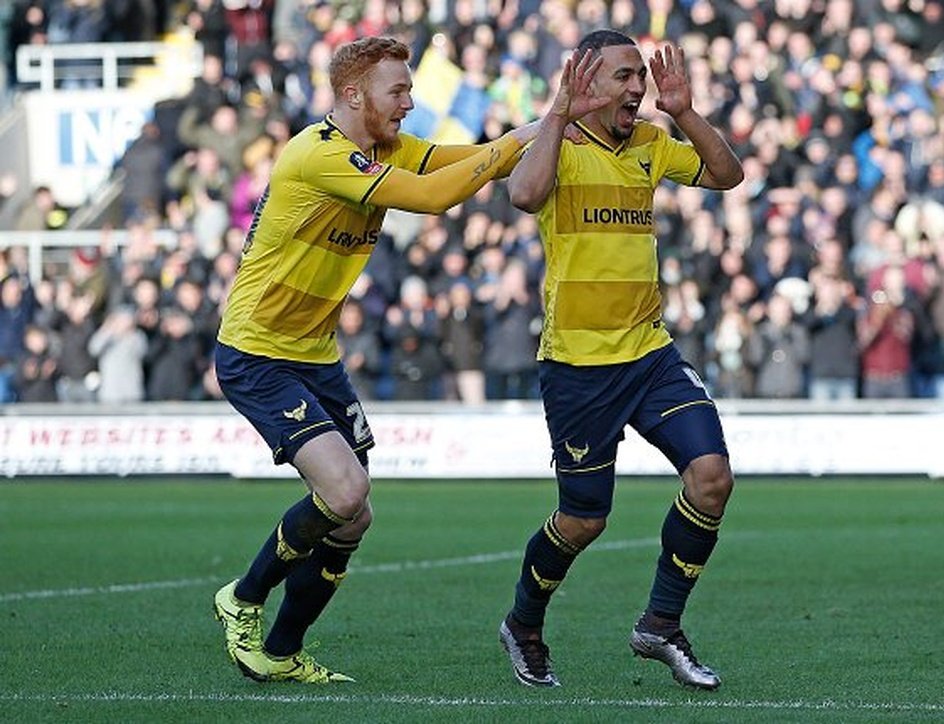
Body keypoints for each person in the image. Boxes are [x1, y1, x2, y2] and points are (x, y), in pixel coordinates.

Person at [211, 36, 605, 684]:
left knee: (352, 515)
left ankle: (279, 651)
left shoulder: (386, 149)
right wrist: (519, 142)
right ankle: (244, 597)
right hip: (258, 352)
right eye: (397, 90)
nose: (409, 102)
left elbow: (475, 159)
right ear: (352, 94)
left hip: (314, 354)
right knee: (344, 491)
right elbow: (431, 196)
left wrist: (557, 118)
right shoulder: (317, 155)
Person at [499, 30, 743, 690]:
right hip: (578, 366)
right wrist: (556, 116)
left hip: (650, 354)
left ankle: (661, 624)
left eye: (641, 75)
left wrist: (686, 111)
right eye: (623, 76)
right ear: (583, 81)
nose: (638, 87)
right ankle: (523, 623)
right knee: (584, 519)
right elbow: (523, 195)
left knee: (712, 476)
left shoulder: (651, 143)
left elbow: (728, 174)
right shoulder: (555, 143)